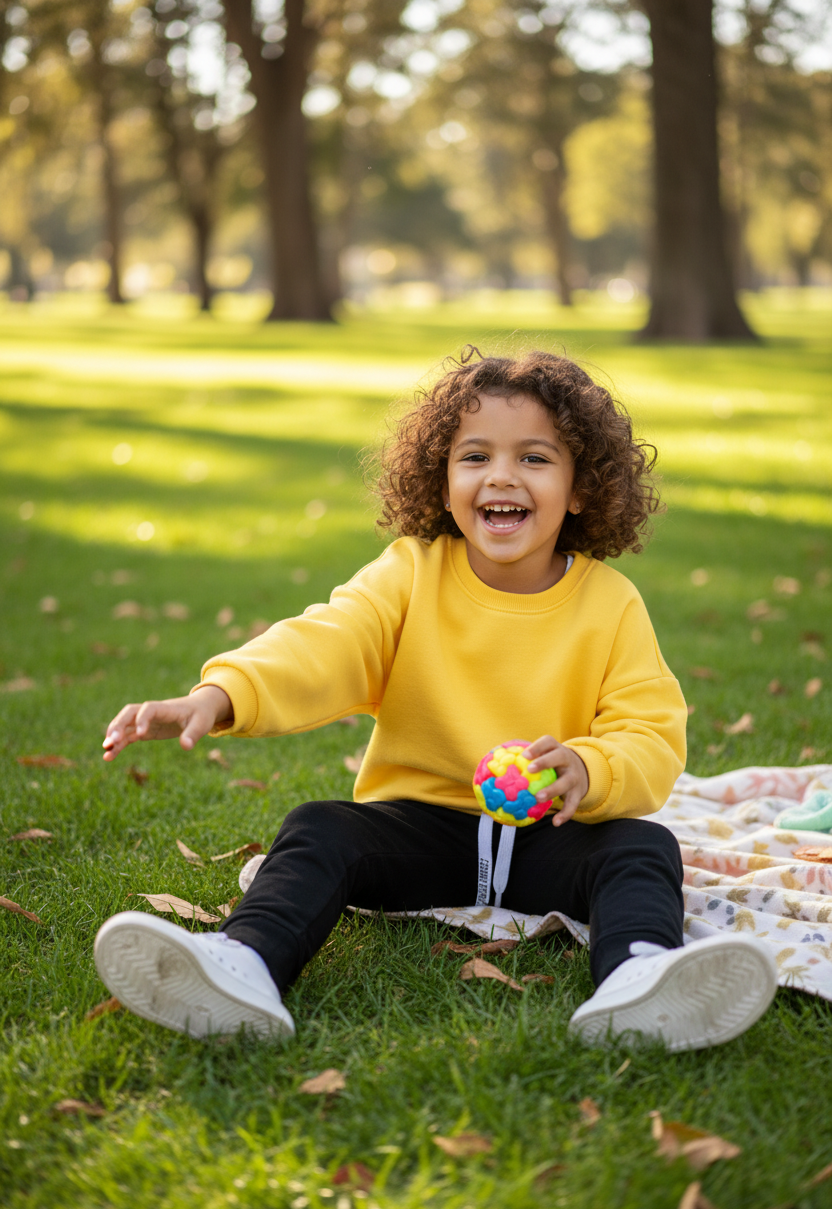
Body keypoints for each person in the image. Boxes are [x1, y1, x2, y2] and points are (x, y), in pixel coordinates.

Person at [94, 349, 778, 1052]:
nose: (501, 476)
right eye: (474, 456)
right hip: (419, 833)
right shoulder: (410, 573)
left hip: (552, 839)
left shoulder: (610, 604)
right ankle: (243, 966)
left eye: (535, 459)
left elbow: (650, 730)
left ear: (580, 488)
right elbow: (328, 641)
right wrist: (222, 692)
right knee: (319, 828)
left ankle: (641, 980)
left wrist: (589, 766)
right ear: (442, 480)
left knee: (643, 846)